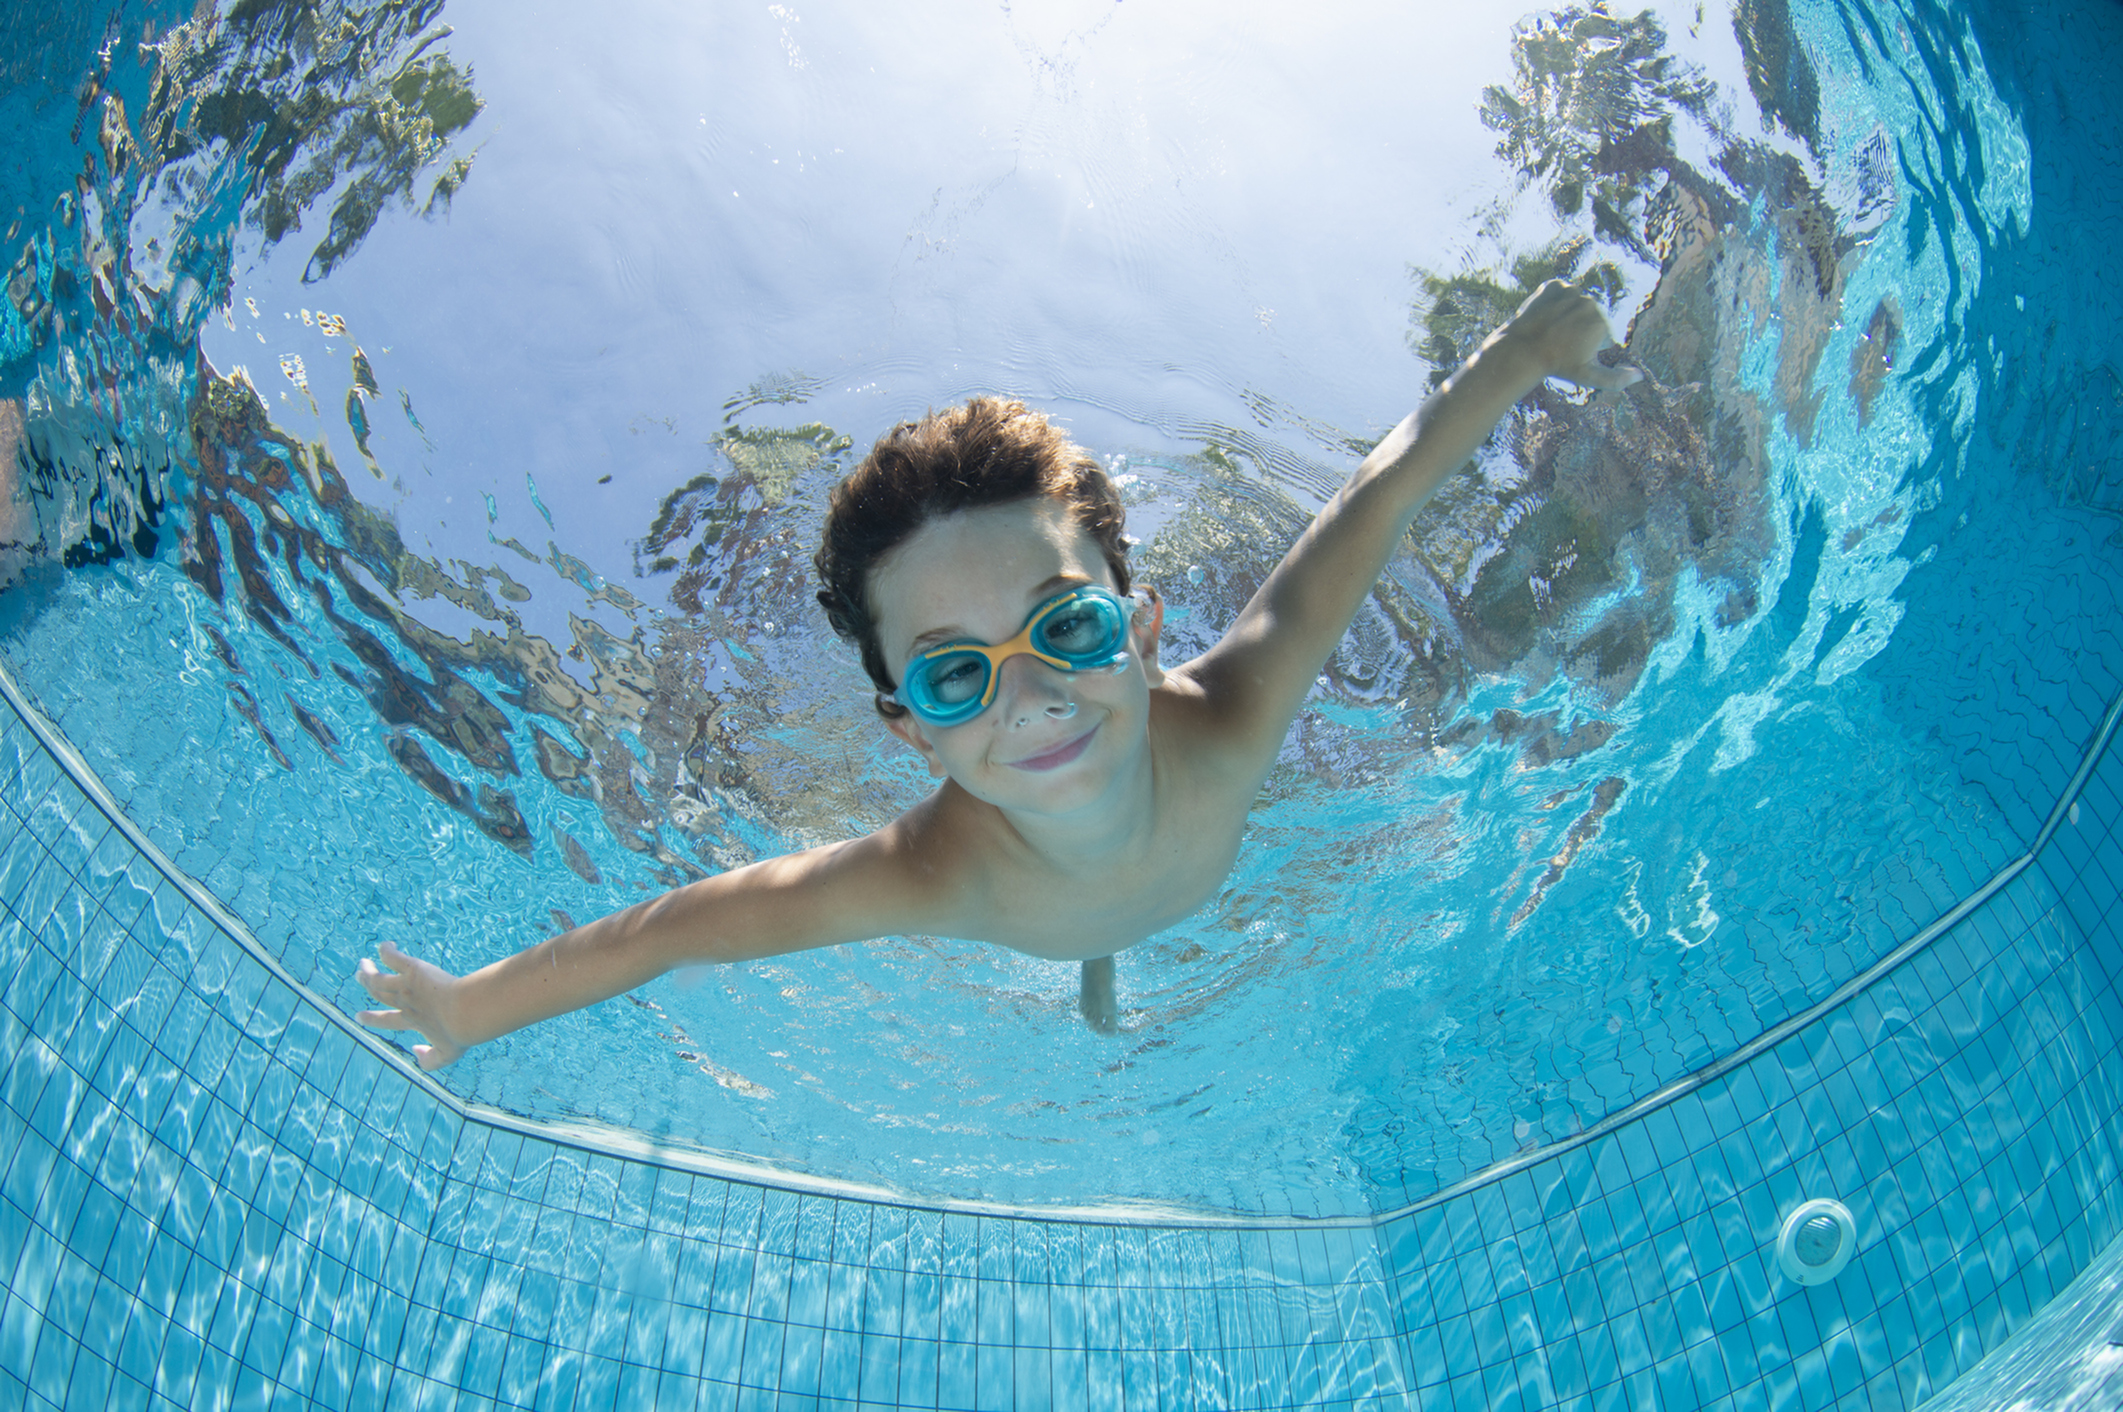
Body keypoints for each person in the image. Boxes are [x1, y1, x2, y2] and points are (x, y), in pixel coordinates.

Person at [356, 281, 1639, 1064]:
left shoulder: (1233, 714)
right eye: (953, 677)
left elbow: (1372, 503)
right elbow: (676, 928)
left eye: (1065, 629)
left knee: (1104, 942)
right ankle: (1094, 964)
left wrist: (1518, 351)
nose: (1026, 694)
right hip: (1059, 910)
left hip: (1141, 879)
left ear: (1140, 634)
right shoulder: (931, 870)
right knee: (1095, 953)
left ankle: (1097, 961)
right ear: (910, 731)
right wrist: (474, 1005)